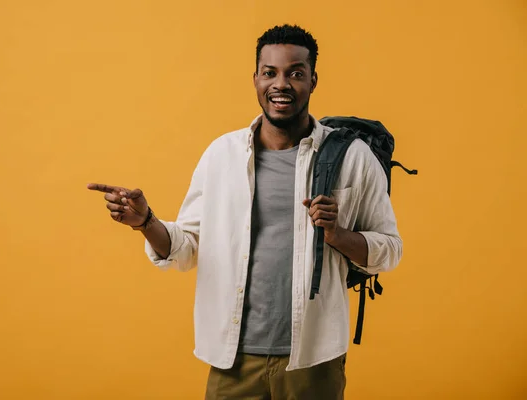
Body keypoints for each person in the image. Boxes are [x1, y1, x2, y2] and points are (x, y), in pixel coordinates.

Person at [88, 24, 402, 400]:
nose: (281, 84)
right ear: (255, 78)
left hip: (313, 359)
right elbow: (186, 248)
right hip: (233, 359)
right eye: (270, 73)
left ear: (313, 80)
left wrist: (338, 236)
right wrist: (145, 221)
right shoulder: (222, 155)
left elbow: (390, 249)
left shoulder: (351, 157)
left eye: (295, 73)